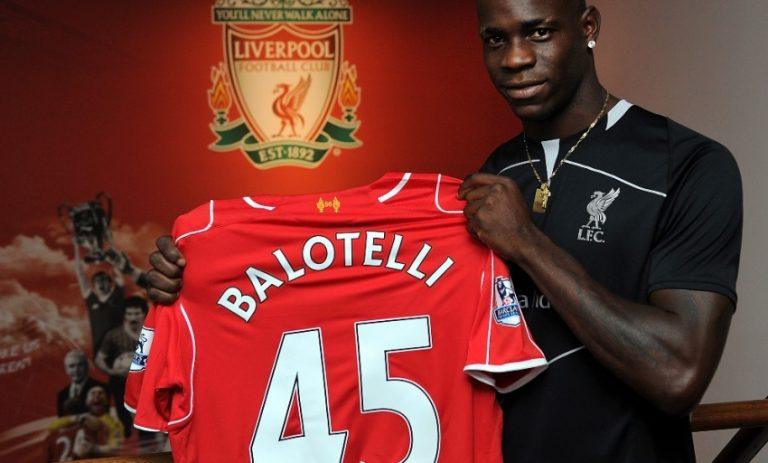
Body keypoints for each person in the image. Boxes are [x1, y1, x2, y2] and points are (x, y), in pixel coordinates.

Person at [143, 1, 742, 461]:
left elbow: (678, 373)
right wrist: (197, 284)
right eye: (495, 39)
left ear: (587, 27)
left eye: (538, 32)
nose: (514, 59)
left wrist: (528, 244)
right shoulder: (487, 178)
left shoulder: (687, 164)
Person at [95, 295, 148, 437]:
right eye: (129, 314)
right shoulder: (113, 335)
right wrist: (112, 371)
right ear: (124, 315)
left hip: (147, 384)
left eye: (137, 313)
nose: (133, 318)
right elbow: (99, 359)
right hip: (121, 385)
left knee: (148, 425)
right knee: (126, 424)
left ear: (145, 313)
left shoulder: (154, 334)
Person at [74, 239, 127, 354]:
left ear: (110, 283)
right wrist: (76, 247)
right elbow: (80, 273)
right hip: (99, 350)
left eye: (104, 280)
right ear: (93, 286)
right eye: (97, 281)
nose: (101, 284)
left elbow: (118, 270)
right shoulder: (91, 299)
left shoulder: (117, 294)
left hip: (120, 348)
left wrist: (110, 248)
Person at [56, 350, 108, 417]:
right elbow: (61, 419)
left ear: (87, 367)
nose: (76, 370)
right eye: (72, 366)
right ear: (66, 370)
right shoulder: (62, 394)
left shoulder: (102, 388)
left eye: (80, 365)